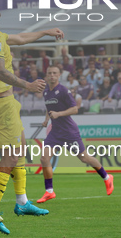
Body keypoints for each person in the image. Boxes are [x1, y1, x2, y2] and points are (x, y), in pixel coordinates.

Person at [0, 2, 62, 233]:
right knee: (13, 154)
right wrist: (27, 85)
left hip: (0, 100)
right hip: (1, 101)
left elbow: (21, 38)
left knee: (20, 147)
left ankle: (21, 202)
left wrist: (45, 32)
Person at [37, 66, 114, 203]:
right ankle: (49, 191)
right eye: (50, 73)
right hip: (55, 132)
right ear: (47, 76)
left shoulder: (64, 91)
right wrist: (47, 119)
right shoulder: (46, 92)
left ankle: (107, 177)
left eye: (55, 73)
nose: (52, 75)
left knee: (84, 158)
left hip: (69, 132)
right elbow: (49, 108)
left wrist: (58, 114)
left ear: (59, 75)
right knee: (44, 158)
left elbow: (74, 109)